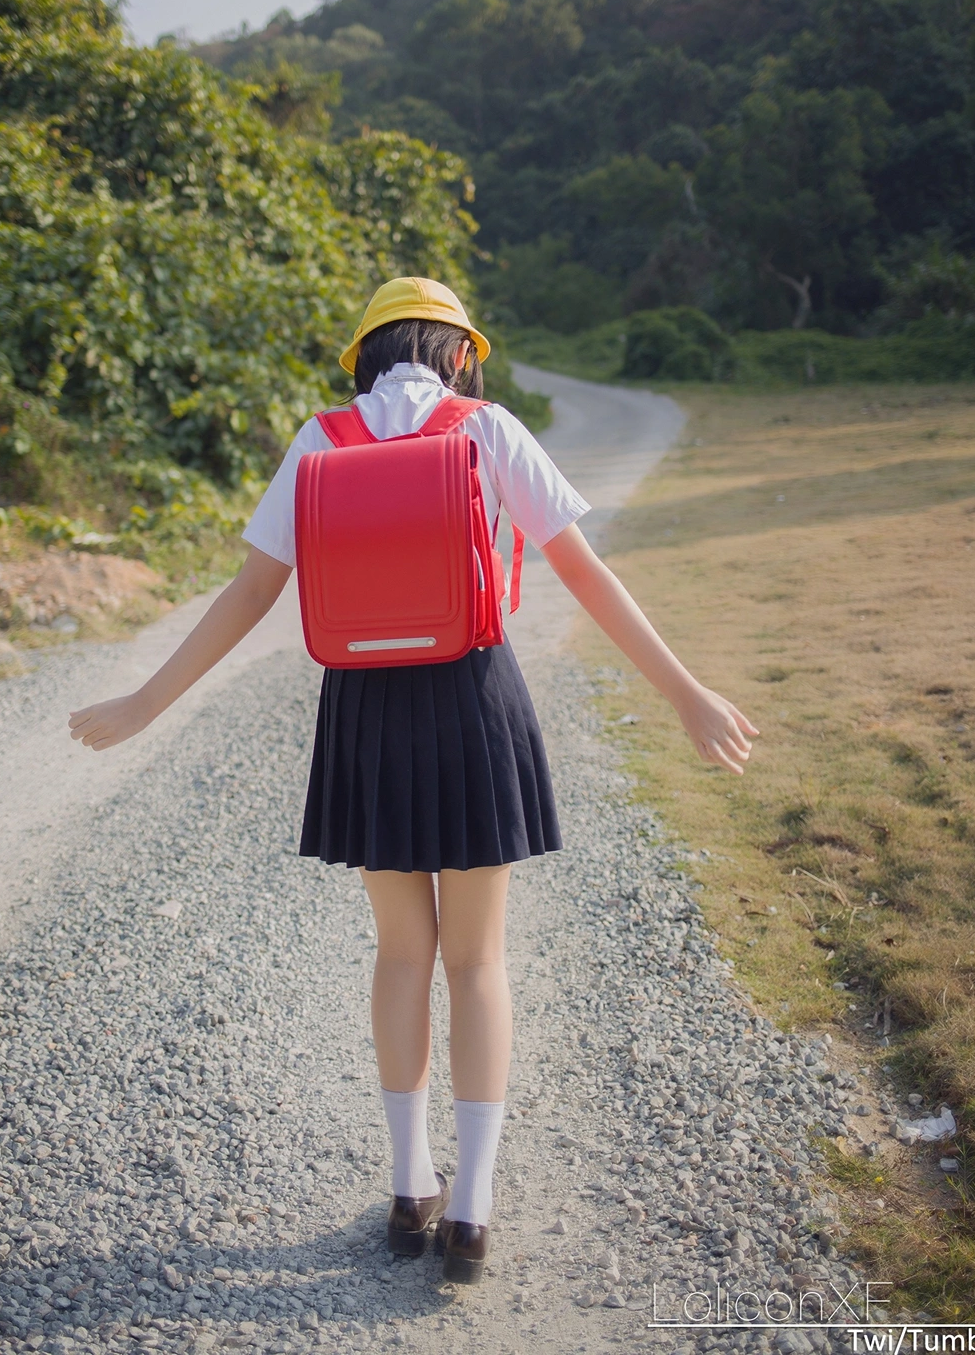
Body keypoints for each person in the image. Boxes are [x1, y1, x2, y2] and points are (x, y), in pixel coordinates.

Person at [68, 276, 758, 1285]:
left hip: (366, 713)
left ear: (364, 358)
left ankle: (408, 1190)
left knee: (402, 954)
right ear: (461, 356)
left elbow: (254, 590)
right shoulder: (488, 430)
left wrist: (142, 705)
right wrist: (687, 693)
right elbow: (583, 574)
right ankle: (471, 1211)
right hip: (476, 698)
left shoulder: (320, 439)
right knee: (477, 963)